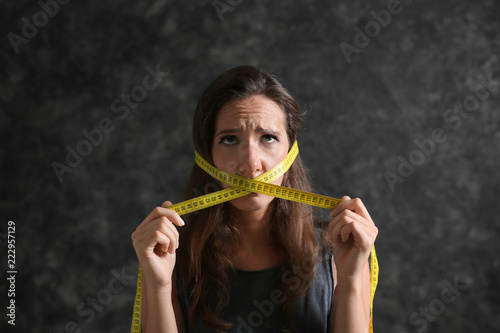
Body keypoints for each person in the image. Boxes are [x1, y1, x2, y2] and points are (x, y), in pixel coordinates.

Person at [131, 65, 378, 333]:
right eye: (229, 139)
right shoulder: (169, 252)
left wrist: (351, 278)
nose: (250, 164)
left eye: (268, 138)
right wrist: (159, 284)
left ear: (290, 151)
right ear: (207, 155)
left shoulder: (340, 249)